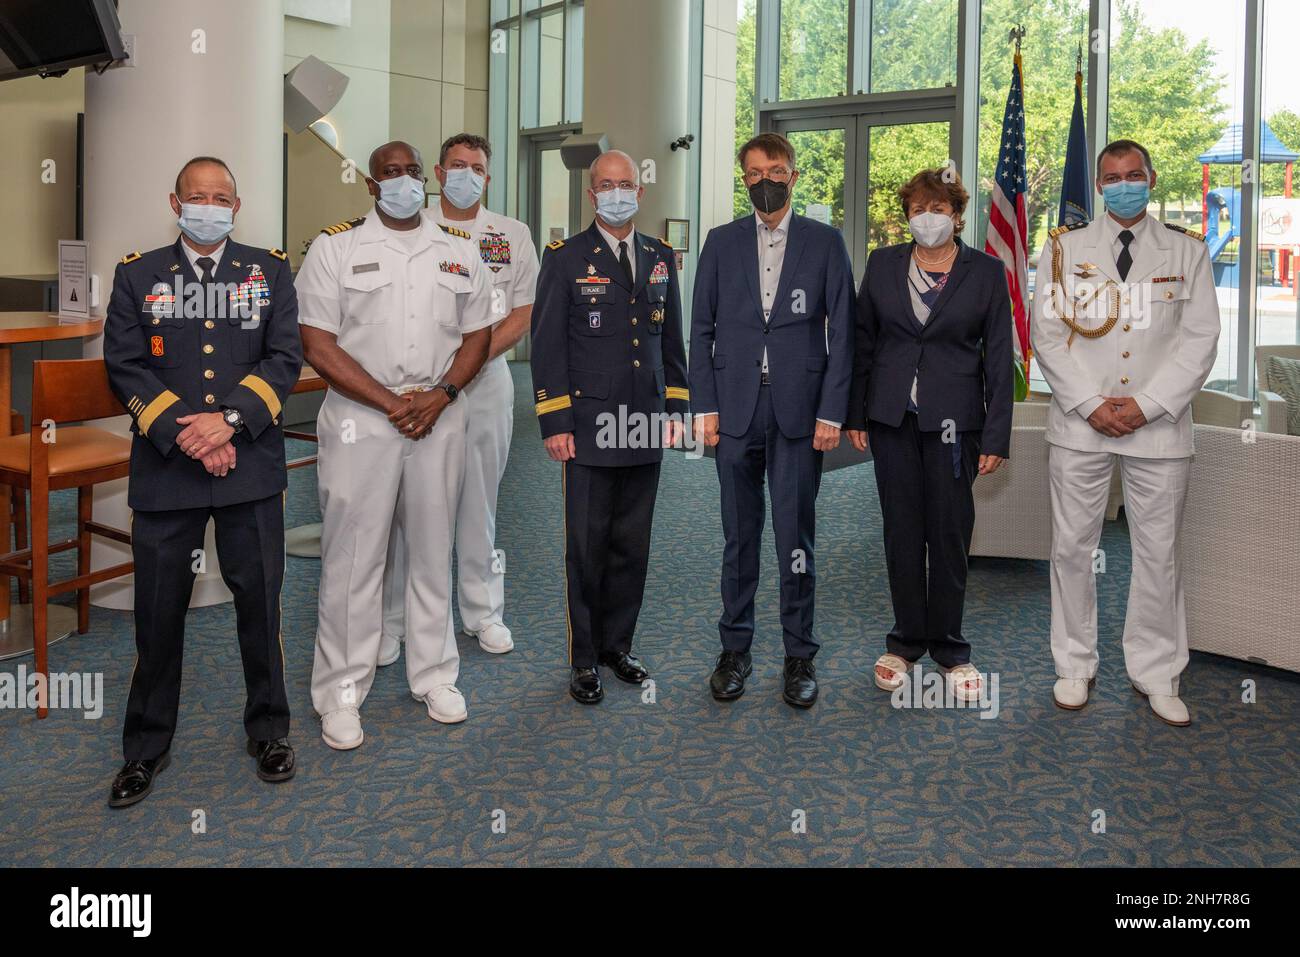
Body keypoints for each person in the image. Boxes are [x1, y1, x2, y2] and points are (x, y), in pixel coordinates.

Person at [103, 156, 303, 807]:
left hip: (248, 463)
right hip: (167, 469)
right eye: (197, 196)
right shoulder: (138, 274)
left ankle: (270, 729)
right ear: (175, 201)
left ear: (236, 206)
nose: (209, 205)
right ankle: (145, 746)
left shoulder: (268, 270)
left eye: (221, 196)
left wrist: (230, 423)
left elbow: (285, 356)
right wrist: (187, 434)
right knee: (157, 616)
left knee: (260, 605)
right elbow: (125, 365)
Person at [299, 140, 492, 748]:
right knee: (354, 558)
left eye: (413, 172)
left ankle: (435, 674)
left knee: (434, 550)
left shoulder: (459, 250)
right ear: (370, 183)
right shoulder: (336, 248)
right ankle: (342, 693)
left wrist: (441, 395)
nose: (406, 181)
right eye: (392, 173)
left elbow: (479, 333)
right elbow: (317, 343)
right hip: (362, 419)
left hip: (440, 414)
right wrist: (390, 403)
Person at [1031, 139, 1219, 726]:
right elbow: (1047, 333)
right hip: (1080, 426)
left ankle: (1157, 670)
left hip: (1158, 429)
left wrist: (1146, 405)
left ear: (1152, 178)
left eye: (1133, 174)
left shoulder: (1187, 252)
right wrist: (1092, 404)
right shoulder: (1063, 249)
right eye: (1111, 177)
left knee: (1158, 553)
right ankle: (1073, 665)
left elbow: (1200, 339)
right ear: (1098, 186)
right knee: (1071, 549)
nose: (1122, 184)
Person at [689, 132, 854, 708]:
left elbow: (844, 334)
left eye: (777, 170)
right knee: (739, 537)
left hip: (800, 414)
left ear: (794, 175)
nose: (766, 180)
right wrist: (704, 408)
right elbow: (701, 331)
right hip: (733, 411)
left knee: (795, 539)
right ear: (744, 179)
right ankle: (734, 649)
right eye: (755, 171)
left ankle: (799, 654)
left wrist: (833, 410)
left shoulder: (826, 242)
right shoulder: (719, 242)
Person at [844, 167, 1013, 703]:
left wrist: (995, 437)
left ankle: (950, 648)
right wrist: (854, 415)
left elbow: (1000, 360)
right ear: (907, 215)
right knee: (900, 531)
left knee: (947, 533)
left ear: (958, 215)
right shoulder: (883, 263)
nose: (928, 217)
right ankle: (904, 641)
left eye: (938, 209)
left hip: (955, 424)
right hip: (892, 420)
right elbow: (862, 343)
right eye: (919, 208)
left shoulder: (985, 272)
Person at [530, 149, 689, 704]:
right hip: (590, 426)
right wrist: (555, 420)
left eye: (626, 183)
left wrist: (675, 410)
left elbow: (671, 342)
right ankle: (583, 658)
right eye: (606, 184)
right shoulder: (566, 257)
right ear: (591, 194)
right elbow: (547, 346)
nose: (617, 192)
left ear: (640, 193)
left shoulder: (661, 256)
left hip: (644, 424)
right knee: (588, 546)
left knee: (632, 545)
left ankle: (618, 645)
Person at [378, 133, 538, 666]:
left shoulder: (510, 234)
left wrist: (466, 363)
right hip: (416, 387)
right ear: (438, 173)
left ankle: (482, 612)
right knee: (408, 504)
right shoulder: (409, 230)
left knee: (479, 501)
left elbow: (522, 311)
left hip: (484, 382)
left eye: (476, 166)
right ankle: (395, 621)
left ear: (487, 177)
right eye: (455, 165)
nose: (465, 173)